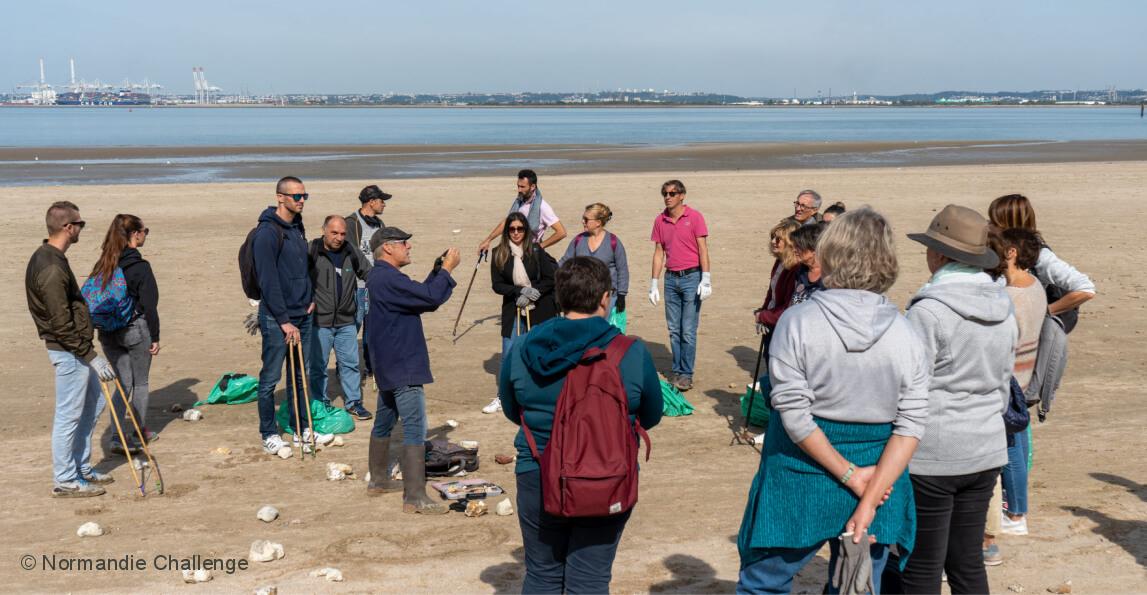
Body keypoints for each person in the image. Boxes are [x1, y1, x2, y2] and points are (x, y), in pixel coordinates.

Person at [737, 207, 928, 593]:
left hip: (801, 473)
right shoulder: (906, 331)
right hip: (880, 475)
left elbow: (794, 415)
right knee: (856, 584)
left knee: (763, 583)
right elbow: (911, 426)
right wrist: (868, 495)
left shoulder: (799, 321)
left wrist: (850, 477)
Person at [499, 257, 663, 593]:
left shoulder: (522, 346)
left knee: (542, 573)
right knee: (588, 578)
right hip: (604, 472)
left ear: (559, 297)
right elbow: (652, 414)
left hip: (537, 467)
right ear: (605, 297)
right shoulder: (629, 351)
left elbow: (512, 408)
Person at [901, 204, 1016, 593]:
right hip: (986, 445)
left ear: (940, 255)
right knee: (967, 563)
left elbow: (909, 385)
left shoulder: (929, 310)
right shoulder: (1004, 305)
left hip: (935, 452)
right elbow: (1004, 381)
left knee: (921, 566)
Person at [364, 226, 460, 513]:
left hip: (388, 364)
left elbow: (420, 296)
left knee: (384, 422)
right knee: (415, 427)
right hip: (403, 363)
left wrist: (436, 272)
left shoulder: (380, 277)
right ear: (388, 248)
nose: (409, 247)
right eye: (404, 243)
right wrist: (447, 270)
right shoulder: (387, 278)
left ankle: (379, 481)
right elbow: (430, 299)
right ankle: (415, 496)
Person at [26, 201, 118, 497]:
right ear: (68, 227)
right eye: (80, 224)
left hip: (76, 348)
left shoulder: (53, 257)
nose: (81, 229)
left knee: (94, 403)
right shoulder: (50, 266)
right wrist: (91, 356)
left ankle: (81, 466)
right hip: (68, 351)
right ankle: (65, 479)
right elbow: (59, 322)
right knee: (69, 414)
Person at [253, 176, 330, 455]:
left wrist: (309, 298)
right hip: (277, 318)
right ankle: (269, 433)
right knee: (270, 378)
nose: (301, 200)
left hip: (303, 313)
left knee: (300, 375)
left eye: (304, 196)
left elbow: (304, 266)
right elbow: (268, 280)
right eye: (296, 196)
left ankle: (301, 428)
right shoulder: (267, 232)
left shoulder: (297, 226)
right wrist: (284, 320)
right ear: (280, 197)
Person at [991, 228, 1047, 541]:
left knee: (1010, 447)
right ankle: (1018, 508)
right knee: (1019, 441)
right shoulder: (1034, 284)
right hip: (1024, 377)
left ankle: (1015, 513)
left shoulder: (1012, 295)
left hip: (1009, 379)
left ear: (1011, 252)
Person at [90, 214, 161, 455]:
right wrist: (156, 336)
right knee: (140, 382)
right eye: (144, 231)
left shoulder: (104, 262)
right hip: (135, 329)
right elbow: (150, 305)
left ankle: (116, 436)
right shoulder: (140, 267)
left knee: (122, 384)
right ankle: (139, 432)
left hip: (107, 332)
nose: (145, 235)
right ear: (134, 234)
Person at [987, 193, 1096, 333]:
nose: (988, 225)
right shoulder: (997, 248)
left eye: (994, 222)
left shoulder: (1040, 256)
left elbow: (1086, 289)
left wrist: (1045, 313)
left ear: (1009, 226)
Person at [484, 212, 559, 414]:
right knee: (509, 352)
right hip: (513, 309)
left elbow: (549, 279)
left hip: (540, 309)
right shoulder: (499, 252)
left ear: (526, 231)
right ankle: (504, 397)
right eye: (512, 229)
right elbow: (497, 285)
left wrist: (533, 292)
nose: (516, 233)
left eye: (520, 229)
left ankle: (540, 395)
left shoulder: (535, 250)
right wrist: (518, 291)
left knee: (539, 352)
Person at [307, 215, 372, 420]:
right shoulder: (310, 250)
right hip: (320, 322)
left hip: (346, 320)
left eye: (342, 233)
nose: (339, 238)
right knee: (318, 367)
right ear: (323, 230)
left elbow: (370, 274)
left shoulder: (350, 250)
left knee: (350, 364)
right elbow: (296, 280)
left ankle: (353, 403)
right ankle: (321, 403)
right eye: (334, 233)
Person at [649, 179, 711, 392]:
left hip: (692, 277)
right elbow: (659, 252)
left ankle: (686, 373)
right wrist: (654, 282)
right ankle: (677, 370)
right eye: (665, 193)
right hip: (670, 278)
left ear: (682, 195)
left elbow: (703, 249)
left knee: (688, 330)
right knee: (674, 329)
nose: (668, 197)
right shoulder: (660, 220)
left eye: (672, 193)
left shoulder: (694, 217)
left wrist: (706, 277)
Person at [345, 185, 392, 380]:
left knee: (372, 328)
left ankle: (371, 366)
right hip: (357, 286)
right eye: (382, 201)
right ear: (371, 201)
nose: (384, 205)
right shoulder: (352, 222)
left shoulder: (379, 224)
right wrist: (368, 275)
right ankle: (345, 367)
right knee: (353, 326)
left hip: (375, 286)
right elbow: (351, 253)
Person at [559, 202, 630, 315]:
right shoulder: (578, 240)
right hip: (581, 298)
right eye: (583, 218)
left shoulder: (613, 242)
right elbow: (564, 263)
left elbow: (622, 270)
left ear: (598, 222)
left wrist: (621, 295)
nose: (583, 221)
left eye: (586, 219)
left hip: (607, 300)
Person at [477, 169, 567, 254]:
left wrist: (540, 246)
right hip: (513, 249)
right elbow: (507, 222)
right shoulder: (519, 201)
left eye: (522, 187)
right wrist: (488, 240)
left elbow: (561, 232)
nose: (519, 190)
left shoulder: (543, 207)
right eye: (518, 186)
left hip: (529, 253)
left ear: (532, 187)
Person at [755, 219, 802, 335]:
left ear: (790, 242)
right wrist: (763, 311)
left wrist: (763, 316)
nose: (773, 241)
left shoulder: (796, 269)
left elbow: (788, 307)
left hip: (784, 327)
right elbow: (772, 292)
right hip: (772, 320)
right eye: (773, 237)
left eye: (778, 239)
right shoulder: (780, 261)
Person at [788, 222, 828, 306]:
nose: (794, 250)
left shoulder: (831, 277)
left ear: (814, 249)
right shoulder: (800, 271)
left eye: (798, 246)